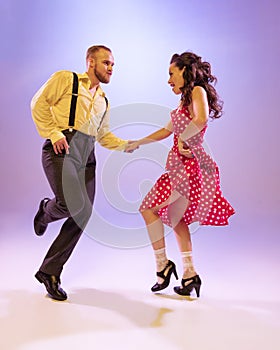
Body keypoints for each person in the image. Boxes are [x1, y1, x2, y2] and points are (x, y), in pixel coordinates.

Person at [126, 51, 235, 297]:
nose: (168, 80)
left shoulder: (197, 91)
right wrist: (138, 142)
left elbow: (202, 118)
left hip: (188, 168)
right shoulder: (183, 101)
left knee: (149, 209)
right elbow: (166, 131)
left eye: (171, 74)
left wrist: (186, 139)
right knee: (177, 218)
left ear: (185, 71)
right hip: (177, 166)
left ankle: (163, 267)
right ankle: (189, 274)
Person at [31, 45, 130, 301]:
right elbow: (38, 103)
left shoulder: (104, 100)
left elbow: (103, 135)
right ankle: (45, 212)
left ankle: (50, 272)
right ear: (91, 62)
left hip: (87, 156)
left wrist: (125, 145)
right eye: (106, 63)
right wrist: (54, 134)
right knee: (67, 204)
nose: (111, 68)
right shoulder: (66, 78)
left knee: (83, 213)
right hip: (61, 148)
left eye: (112, 65)